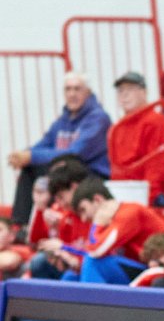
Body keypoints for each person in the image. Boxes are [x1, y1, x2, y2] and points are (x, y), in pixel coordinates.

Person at [8, 72, 110, 225]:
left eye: (77, 89)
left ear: (88, 92)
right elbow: (44, 143)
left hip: (93, 174)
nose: (72, 94)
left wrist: (31, 156)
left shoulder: (98, 118)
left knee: (54, 172)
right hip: (68, 170)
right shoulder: (63, 120)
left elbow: (75, 153)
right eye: (68, 89)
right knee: (30, 167)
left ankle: (51, 222)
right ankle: (20, 225)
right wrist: (24, 155)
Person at [72, 176, 164, 284]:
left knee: (93, 263)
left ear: (97, 200)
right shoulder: (113, 219)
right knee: (72, 276)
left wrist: (97, 225)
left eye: (83, 210)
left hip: (160, 268)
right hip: (140, 267)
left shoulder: (129, 213)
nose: (83, 219)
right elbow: (89, 251)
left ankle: (88, 296)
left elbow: (95, 251)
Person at [108, 72, 164, 207]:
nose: (124, 94)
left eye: (130, 89)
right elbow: (116, 170)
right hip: (128, 192)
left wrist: (146, 198)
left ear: (144, 92)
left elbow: (157, 167)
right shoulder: (117, 127)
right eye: (121, 90)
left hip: (156, 194)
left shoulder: (155, 122)